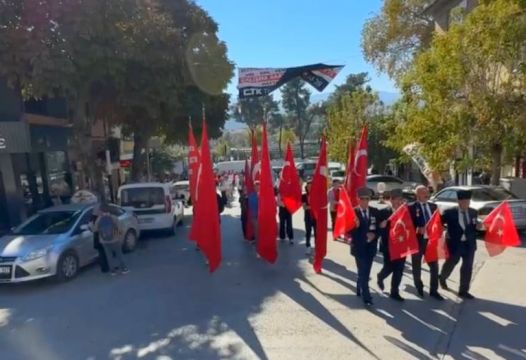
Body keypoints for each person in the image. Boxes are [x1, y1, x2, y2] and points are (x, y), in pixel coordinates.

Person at [439, 190, 478, 299]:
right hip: (455, 244)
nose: (467, 204)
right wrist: (443, 229)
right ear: (459, 201)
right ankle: (442, 278)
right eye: (465, 202)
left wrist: (479, 226)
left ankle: (463, 291)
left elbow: (474, 225)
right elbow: (438, 222)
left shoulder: (473, 212)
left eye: (468, 202)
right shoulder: (449, 212)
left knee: (467, 267)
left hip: (469, 244)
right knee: (451, 263)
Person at [409, 185, 443, 300]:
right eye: (423, 192)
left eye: (427, 192)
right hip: (418, 241)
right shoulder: (411, 207)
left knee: (434, 267)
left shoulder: (433, 206)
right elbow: (407, 225)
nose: (426, 194)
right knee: (416, 266)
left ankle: (434, 290)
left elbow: (439, 221)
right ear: (417, 195)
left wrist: (440, 228)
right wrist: (416, 229)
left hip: (431, 242)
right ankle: (419, 286)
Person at [350, 187, 379, 306]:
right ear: (358, 199)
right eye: (362, 199)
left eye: (367, 199)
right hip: (358, 247)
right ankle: (367, 297)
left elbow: (380, 227)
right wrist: (355, 226)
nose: (365, 201)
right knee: (363, 271)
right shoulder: (353, 212)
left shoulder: (375, 211)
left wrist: (375, 234)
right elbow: (348, 231)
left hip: (371, 247)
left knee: (365, 271)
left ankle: (359, 285)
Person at [377, 189, 406, 301]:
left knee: (399, 269)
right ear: (391, 200)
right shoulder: (384, 212)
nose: (399, 202)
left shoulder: (405, 212)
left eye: (400, 200)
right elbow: (378, 228)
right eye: (397, 200)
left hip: (402, 245)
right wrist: (381, 226)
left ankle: (394, 292)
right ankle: (381, 276)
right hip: (388, 245)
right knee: (389, 267)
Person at [94, 203, 128, 275]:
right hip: (115, 239)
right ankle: (124, 268)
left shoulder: (99, 219)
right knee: (119, 254)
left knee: (109, 256)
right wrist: (119, 238)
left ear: (101, 211)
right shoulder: (113, 217)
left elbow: (95, 230)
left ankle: (113, 271)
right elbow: (119, 228)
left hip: (104, 241)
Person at [90, 206, 109, 273]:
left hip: (97, 238)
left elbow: (92, 229)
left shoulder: (92, 219)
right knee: (105, 252)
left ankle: (104, 268)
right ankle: (107, 266)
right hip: (103, 237)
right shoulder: (102, 218)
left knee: (101, 253)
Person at [302, 181, 316, 255]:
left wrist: (311, 207)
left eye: (311, 186)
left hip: (316, 217)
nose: (310, 188)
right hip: (308, 217)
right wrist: (313, 206)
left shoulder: (316, 195)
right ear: (306, 187)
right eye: (308, 186)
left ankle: (317, 247)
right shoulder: (304, 196)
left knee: (316, 233)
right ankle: (308, 246)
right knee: (308, 232)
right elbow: (305, 207)